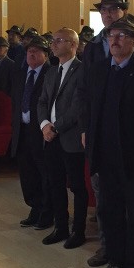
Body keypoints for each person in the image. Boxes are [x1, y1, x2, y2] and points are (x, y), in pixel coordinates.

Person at [83, 0, 134, 268]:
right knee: (109, 210)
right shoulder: (100, 68)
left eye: (122, 36)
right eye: (112, 36)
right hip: (105, 152)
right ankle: (114, 261)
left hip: (131, 155)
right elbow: (90, 104)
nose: (115, 40)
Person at [37, 28, 87, 249]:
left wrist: (55, 127)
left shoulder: (82, 70)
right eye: (53, 41)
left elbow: (78, 108)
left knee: (77, 186)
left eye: (59, 40)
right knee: (55, 183)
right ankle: (61, 226)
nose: (53, 44)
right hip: (51, 137)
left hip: (71, 137)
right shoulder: (51, 71)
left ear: (73, 44)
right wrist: (44, 125)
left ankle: (78, 230)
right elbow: (42, 102)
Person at [10, 36, 52, 230]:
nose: (31, 54)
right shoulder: (21, 74)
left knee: (44, 174)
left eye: (36, 51)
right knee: (27, 174)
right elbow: (15, 102)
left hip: (41, 131)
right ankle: (35, 208)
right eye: (29, 51)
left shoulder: (51, 73)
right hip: (23, 130)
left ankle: (47, 212)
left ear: (45, 54)